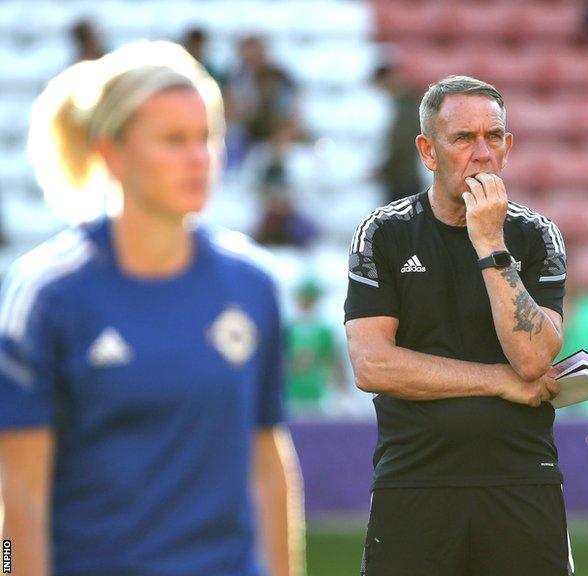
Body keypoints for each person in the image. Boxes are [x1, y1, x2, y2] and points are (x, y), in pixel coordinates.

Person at [0, 41, 304, 576]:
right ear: (110, 153)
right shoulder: (46, 295)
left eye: (205, 138)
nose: (198, 159)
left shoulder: (251, 287)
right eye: (172, 141)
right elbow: (18, 496)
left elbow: (267, 464)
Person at [344, 75, 572, 576]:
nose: (482, 152)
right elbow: (373, 365)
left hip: (521, 477)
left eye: (493, 137)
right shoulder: (384, 232)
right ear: (428, 150)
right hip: (414, 477)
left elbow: (534, 359)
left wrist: (490, 243)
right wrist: (499, 383)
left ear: (508, 148)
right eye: (463, 138)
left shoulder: (536, 236)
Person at [285, 278, 344, 415]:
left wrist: (341, 391)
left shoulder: (324, 330)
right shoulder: (289, 329)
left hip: (318, 395)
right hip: (292, 394)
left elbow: (335, 361)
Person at [373, 61, 427, 204]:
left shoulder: (407, 105)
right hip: (404, 175)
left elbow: (402, 142)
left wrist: (384, 169)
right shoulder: (404, 103)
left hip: (403, 177)